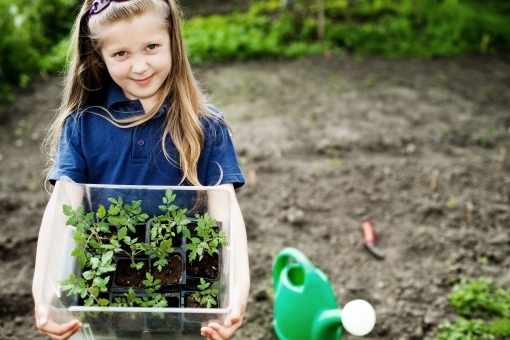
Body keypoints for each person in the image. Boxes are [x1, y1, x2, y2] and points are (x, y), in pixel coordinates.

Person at [32, 0, 250, 339]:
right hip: (103, 299)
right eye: (121, 54)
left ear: (172, 42)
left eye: (152, 47)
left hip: (187, 303)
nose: (139, 66)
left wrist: (235, 291)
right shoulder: (83, 124)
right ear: (99, 57)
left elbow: (225, 215)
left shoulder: (205, 125)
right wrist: (43, 294)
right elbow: (63, 209)